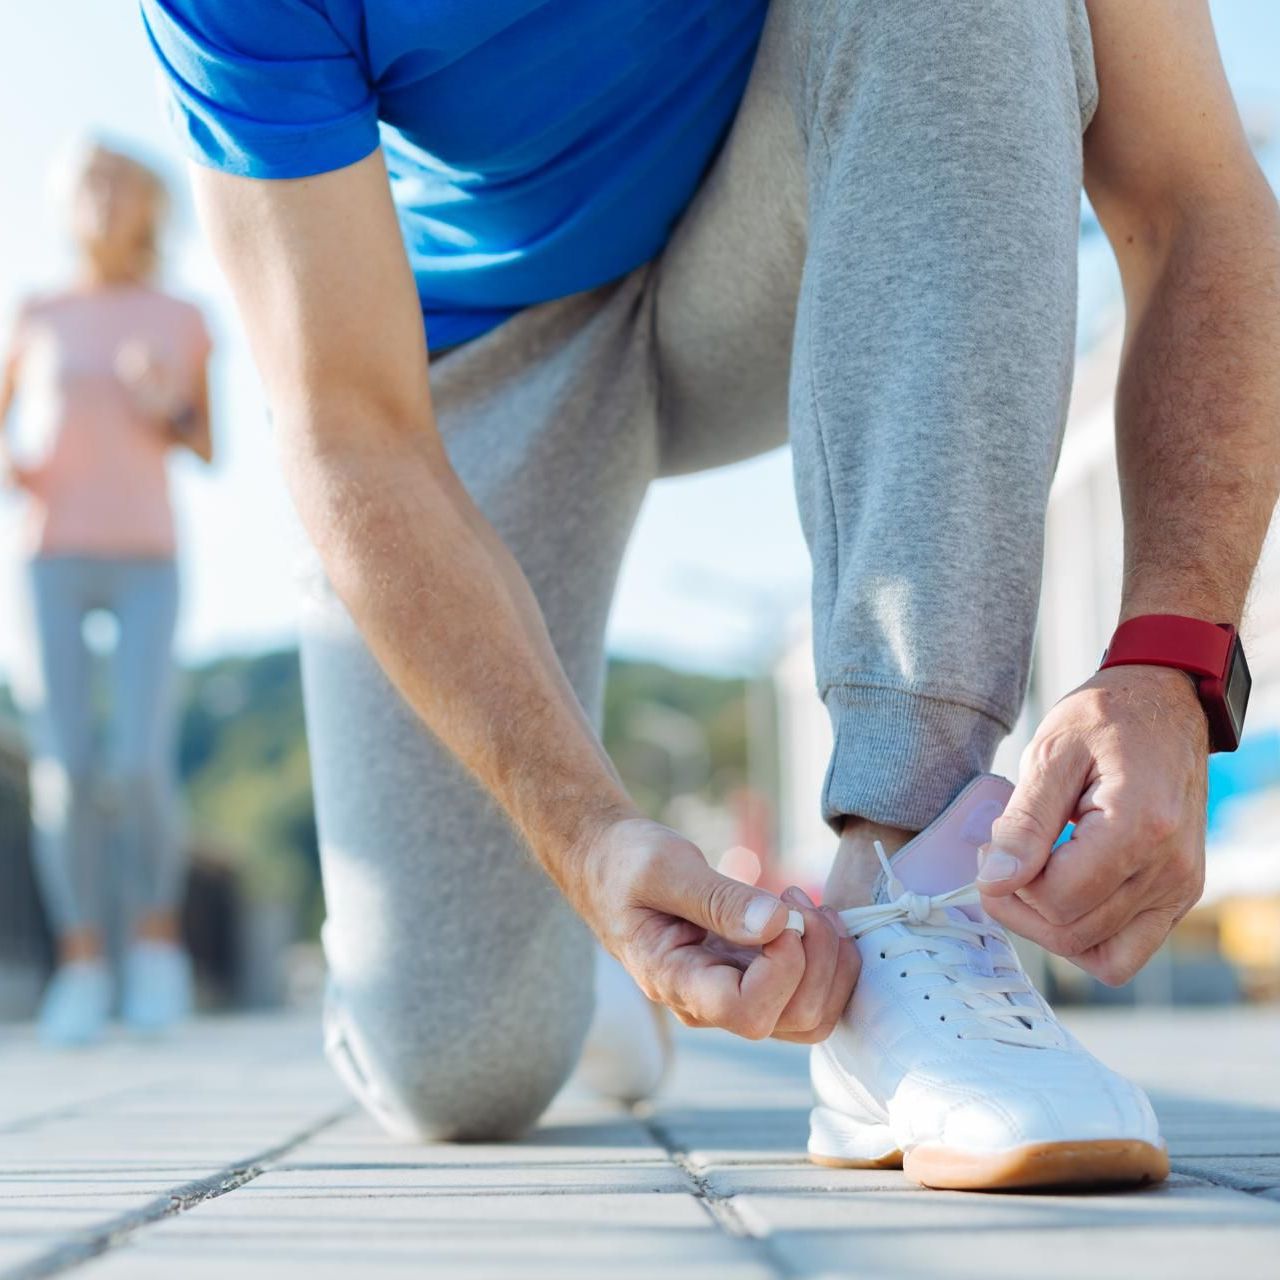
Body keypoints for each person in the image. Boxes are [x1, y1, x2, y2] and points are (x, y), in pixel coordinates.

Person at [140, 0, 1280, 1189]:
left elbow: (1188, 193)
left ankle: (905, 896)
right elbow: (347, 429)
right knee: (456, 1067)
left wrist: (1171, 661)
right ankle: (562, 964)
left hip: (771, 209)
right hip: (476, 347)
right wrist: (583, 840)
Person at [0, 140, 214, 1046]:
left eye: (116, 181)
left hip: (146, 561)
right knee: (66, 772)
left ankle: (154, 949)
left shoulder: (179, 315)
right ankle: (83, 965)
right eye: (85, 179)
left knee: (135, 760)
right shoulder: (37, 311)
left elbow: (206, 445)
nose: (99, 195)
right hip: (49, 556)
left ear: (145, 205)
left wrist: (163, 398)